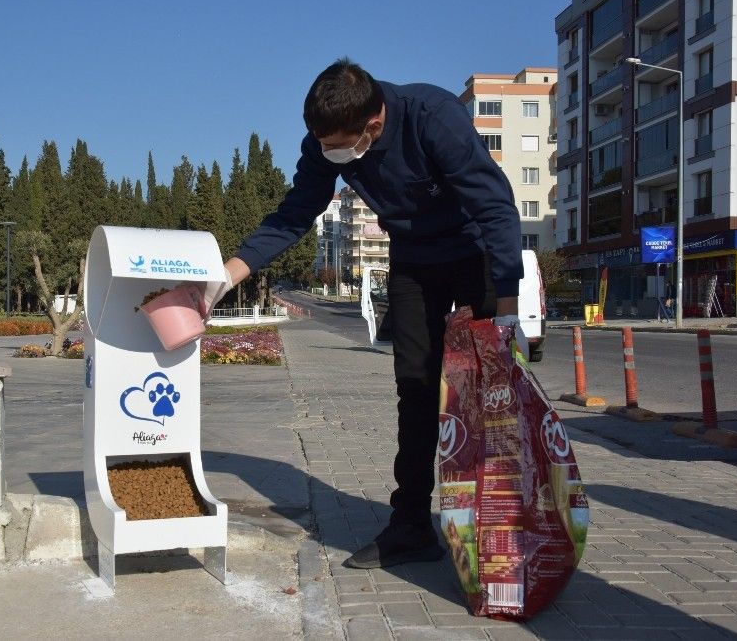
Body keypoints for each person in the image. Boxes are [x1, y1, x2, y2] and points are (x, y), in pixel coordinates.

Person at [201, 59, 525, 569]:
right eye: (321, 143)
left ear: (372, 125)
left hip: (476, 254)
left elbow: (495, 206)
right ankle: (412, 526)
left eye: (337, 145)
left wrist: (507, 312)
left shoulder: (432, 116)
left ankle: (501, 523)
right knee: (416, 390)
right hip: (415, 261)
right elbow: (293, 214)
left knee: (488, 392)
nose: (328, 152)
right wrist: (222, 279)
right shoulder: (327, 139)